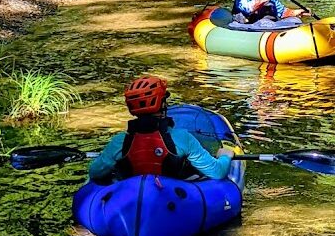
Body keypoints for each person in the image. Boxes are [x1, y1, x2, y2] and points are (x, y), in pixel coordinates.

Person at [88, 76, 235, 183]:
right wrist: (225, 156)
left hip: (130, 200)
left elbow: (95, 173)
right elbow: (217, 172)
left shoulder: (119, 142)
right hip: (171, 201)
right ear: (161, 104)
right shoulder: (182, 137)